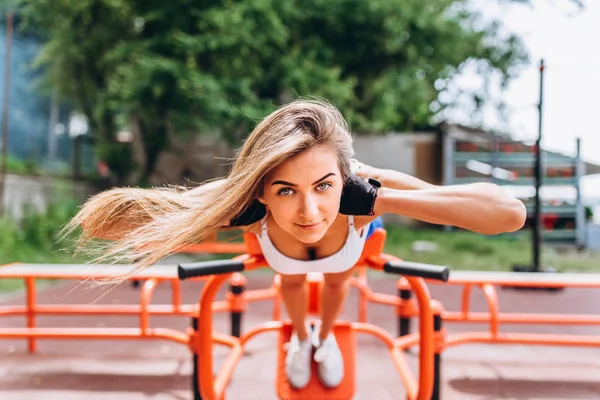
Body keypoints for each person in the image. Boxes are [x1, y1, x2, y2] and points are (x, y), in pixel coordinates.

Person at [65, 99, 526, 390]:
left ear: (344, 180)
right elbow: (102, 225)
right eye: (286, 190)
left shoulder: (366, 184)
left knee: (337, 285)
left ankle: (322, 338)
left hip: (350, 246)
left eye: (324, 187)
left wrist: (381, 199)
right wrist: (227, 209)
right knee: (289, 282)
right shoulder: (248, 197)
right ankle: (300, 338)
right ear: (263, 187)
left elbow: (509, 213)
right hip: (280, 254)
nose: (309, 212)